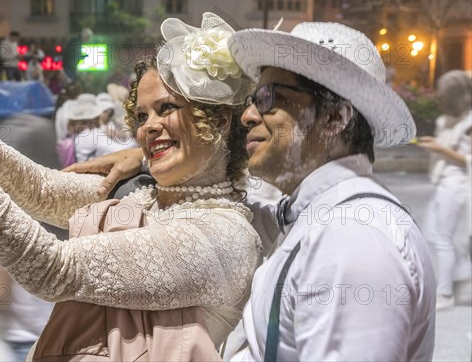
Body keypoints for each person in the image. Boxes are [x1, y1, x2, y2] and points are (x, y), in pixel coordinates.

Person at [0, 12, 261, 360]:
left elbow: (55, 269)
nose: (147, 127)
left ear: (218, 119)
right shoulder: (147, 195)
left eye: (166, 109)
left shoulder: (223, 235)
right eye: (142, 114)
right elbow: (40, 190)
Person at [68, 22, 437, 361]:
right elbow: (219, 204)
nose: (247, 116)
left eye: (267, 98)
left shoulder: (352, 238)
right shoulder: (307, 216)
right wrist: (150, 155)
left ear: (334, 118)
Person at [415, 70, 472, 310]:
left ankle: (446, 293)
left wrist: (439, 148)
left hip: (456, 184)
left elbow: (468, 158)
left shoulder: (469, 123)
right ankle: (461, 272)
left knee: (442, 240)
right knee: (432, 235)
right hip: (443, 182)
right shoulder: (447, 119)